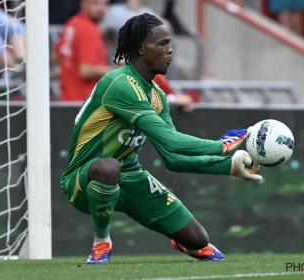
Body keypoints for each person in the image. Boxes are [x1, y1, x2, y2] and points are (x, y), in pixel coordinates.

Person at [60, 13, 262, 265]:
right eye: (163, 44)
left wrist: (228, 165)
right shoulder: (119, 83)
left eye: (170, 43)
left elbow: (172, 157)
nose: (170, 50)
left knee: (199, 240)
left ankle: (182, 240)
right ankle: (102, 242)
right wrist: (221, 146)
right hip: (84, 179)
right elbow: (172, 141)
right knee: (108, 166)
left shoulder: (157, 95)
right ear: (141, 48)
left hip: (131, 176)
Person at [52, 0, 113, 101]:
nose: (101, 9)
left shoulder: (72, 23)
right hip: (86, 102)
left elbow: (55, 56)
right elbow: (85, 70)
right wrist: (118, 70)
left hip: (67, 99)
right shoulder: (88, 29)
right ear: (83, 3)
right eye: (96, 3)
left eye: (105, 4)